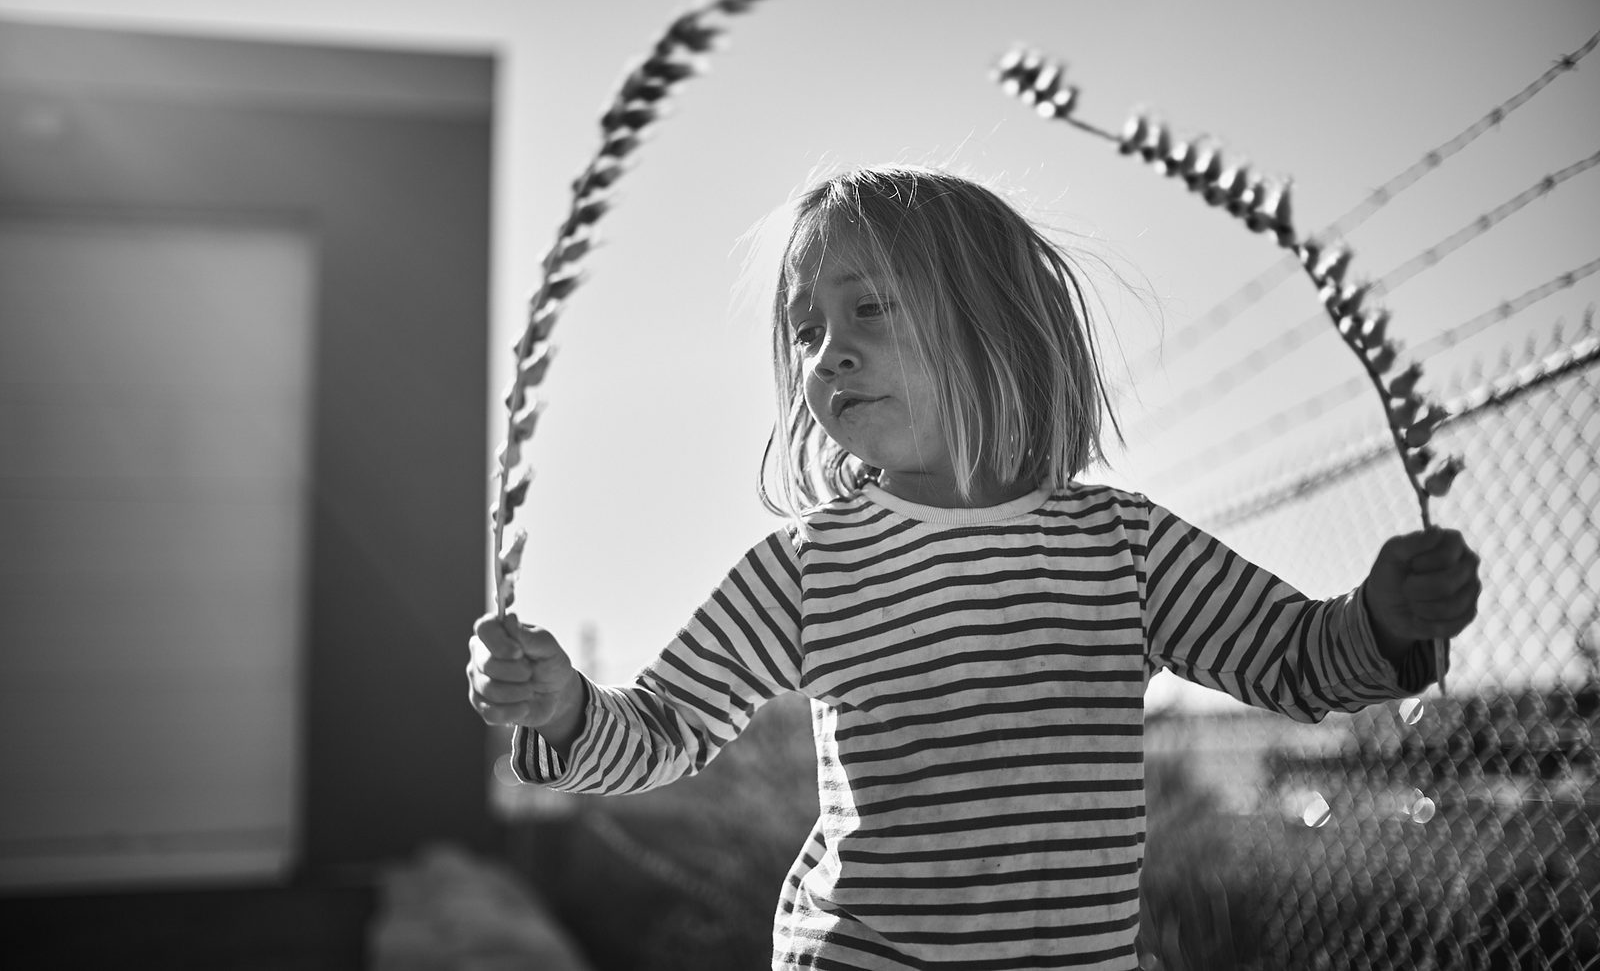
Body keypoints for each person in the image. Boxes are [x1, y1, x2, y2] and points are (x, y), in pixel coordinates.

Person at [466, 164, 1480, 970]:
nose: (828, 353)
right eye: (807, 329)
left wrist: (1386, 621)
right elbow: (660, 731)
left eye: (869, 311)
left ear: (994, 327)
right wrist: (560, 711)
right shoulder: (809, 569)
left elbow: (1295, 662)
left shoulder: (1120, 548)